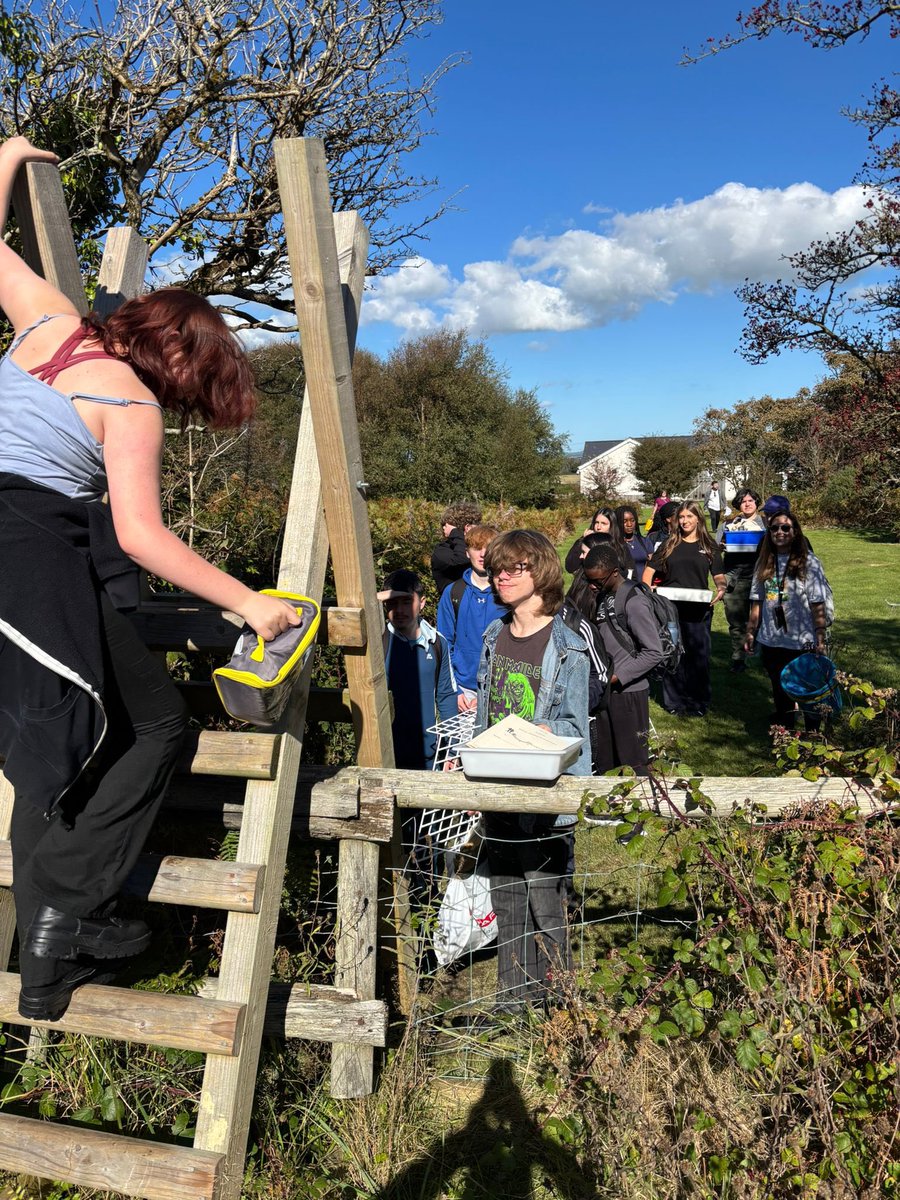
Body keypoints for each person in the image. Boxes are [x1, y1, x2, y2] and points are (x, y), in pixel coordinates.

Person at [0, 137, 302, 1022]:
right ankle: (65, 916)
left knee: (69, 743)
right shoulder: (129, 405)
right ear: (179, 367)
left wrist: (7, 155)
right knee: (144, 729)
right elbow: (139, 536)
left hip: (27, 560)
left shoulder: (48, 323)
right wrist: (248, 603)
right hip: (26, 555)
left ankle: (47, 967)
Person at [474, 530, 590, 1008]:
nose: (501, 576)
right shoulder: (493, 635)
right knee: (506, 899)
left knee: (547, 903)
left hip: (543, 795)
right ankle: (512, 1001)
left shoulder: (568, 647)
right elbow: (484, 716)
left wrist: (537, 730)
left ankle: (559, 1003)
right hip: (496, 789)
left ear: (540, 572)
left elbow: (574, 727)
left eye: (514, 568)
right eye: (497, 568)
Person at [744, 512, 832, 731]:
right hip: (772, 640)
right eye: (774, 528)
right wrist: (751, 631)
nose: (780, 532)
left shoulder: (809, 562)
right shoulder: (764, 561)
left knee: (808, 692)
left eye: (785, 528)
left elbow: (817, 603)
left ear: (795, 532)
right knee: (780, 690)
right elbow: (757, 601)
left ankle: (813, 736)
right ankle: (787, 736)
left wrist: (820, 636)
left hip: (802, 640)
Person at [584, 544, 663, 774]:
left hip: (628, 694)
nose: (592, 586)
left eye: (597, 581)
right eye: (589, 580)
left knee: (633, 762)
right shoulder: (604, 595)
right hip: (607, 691)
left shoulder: (634, 601)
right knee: (606, 761)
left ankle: (639, 797)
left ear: (615, 573)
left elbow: (653, 652)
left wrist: (617, 677)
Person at [643, 502, 726, 717]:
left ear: (698, 518)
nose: (685, 521)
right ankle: (674, 701)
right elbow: (649, 571)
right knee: (673, 654)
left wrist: (721, 588)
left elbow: (718, 574)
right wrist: (648, 592)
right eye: (681, 517)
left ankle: (698, 701)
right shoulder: (670, 543)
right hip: (670, 609)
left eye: (689, 516)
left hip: (699, 609)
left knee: (699, 655)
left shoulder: (708, 545)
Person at [379, 569, 458, 769]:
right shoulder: (379, 643)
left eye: (407, 602)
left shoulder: (437, 643)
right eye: (392, 603)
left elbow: (446, 695)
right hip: (387, 755)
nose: (399, 610)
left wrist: (452, 749)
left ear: (422, 602)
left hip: (430, 755)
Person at [436, 524, 505, 706]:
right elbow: (444, 643)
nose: (482, 554)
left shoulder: (507, 592)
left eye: (488, 548)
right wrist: (455, 690)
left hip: (501, 688)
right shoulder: (453, 592)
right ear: (467, 553)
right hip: (463, 689)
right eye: (476, 548)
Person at [716, 489, 767, 673]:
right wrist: (722, 546)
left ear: (757, 503)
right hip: (735, 578)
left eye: (751, 500)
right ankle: (738, 658)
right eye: (743, 501)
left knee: (762, 620)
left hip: (760, 577)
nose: (747, 504)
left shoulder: (766, 523)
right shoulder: (728, 524)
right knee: (737, 621)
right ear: (738, 504)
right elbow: (716, 548)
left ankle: (760, 658)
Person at [430, 500, 483, 594]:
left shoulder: (479, 548)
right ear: (467, 527)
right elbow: (460, 559)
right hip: (454, 602)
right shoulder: (441, 550)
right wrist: (456, 532)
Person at [563, 507, 630, 576]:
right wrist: (584, 542)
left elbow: (628, 572)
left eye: (603, 523)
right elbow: (570, 567)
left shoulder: (619, 545)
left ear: (612, 526)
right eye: (596, 523)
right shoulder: (584, 541)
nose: (598, 527)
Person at [615, 504, 654, 584]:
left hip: (643, 587)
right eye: (624, 521)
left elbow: (651, 566)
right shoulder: (614, 543)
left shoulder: (644, 541)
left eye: (632, 520)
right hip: (623, 587)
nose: (629, 525)